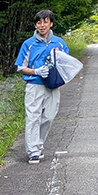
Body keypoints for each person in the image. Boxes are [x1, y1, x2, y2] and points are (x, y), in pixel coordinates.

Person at [14, 9, 69, 163]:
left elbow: (66, 63)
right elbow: (20, 66)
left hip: (52, 85)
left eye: (46, 22)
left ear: (51, 23)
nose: (42, 25)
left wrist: (59, 57)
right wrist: (35, 71)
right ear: (35, 25)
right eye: (39, 22)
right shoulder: (29, 44)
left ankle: (38, 144)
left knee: (49, 117)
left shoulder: (59, 43)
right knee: (32, 117)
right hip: (34, 85)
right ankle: (33, 152)